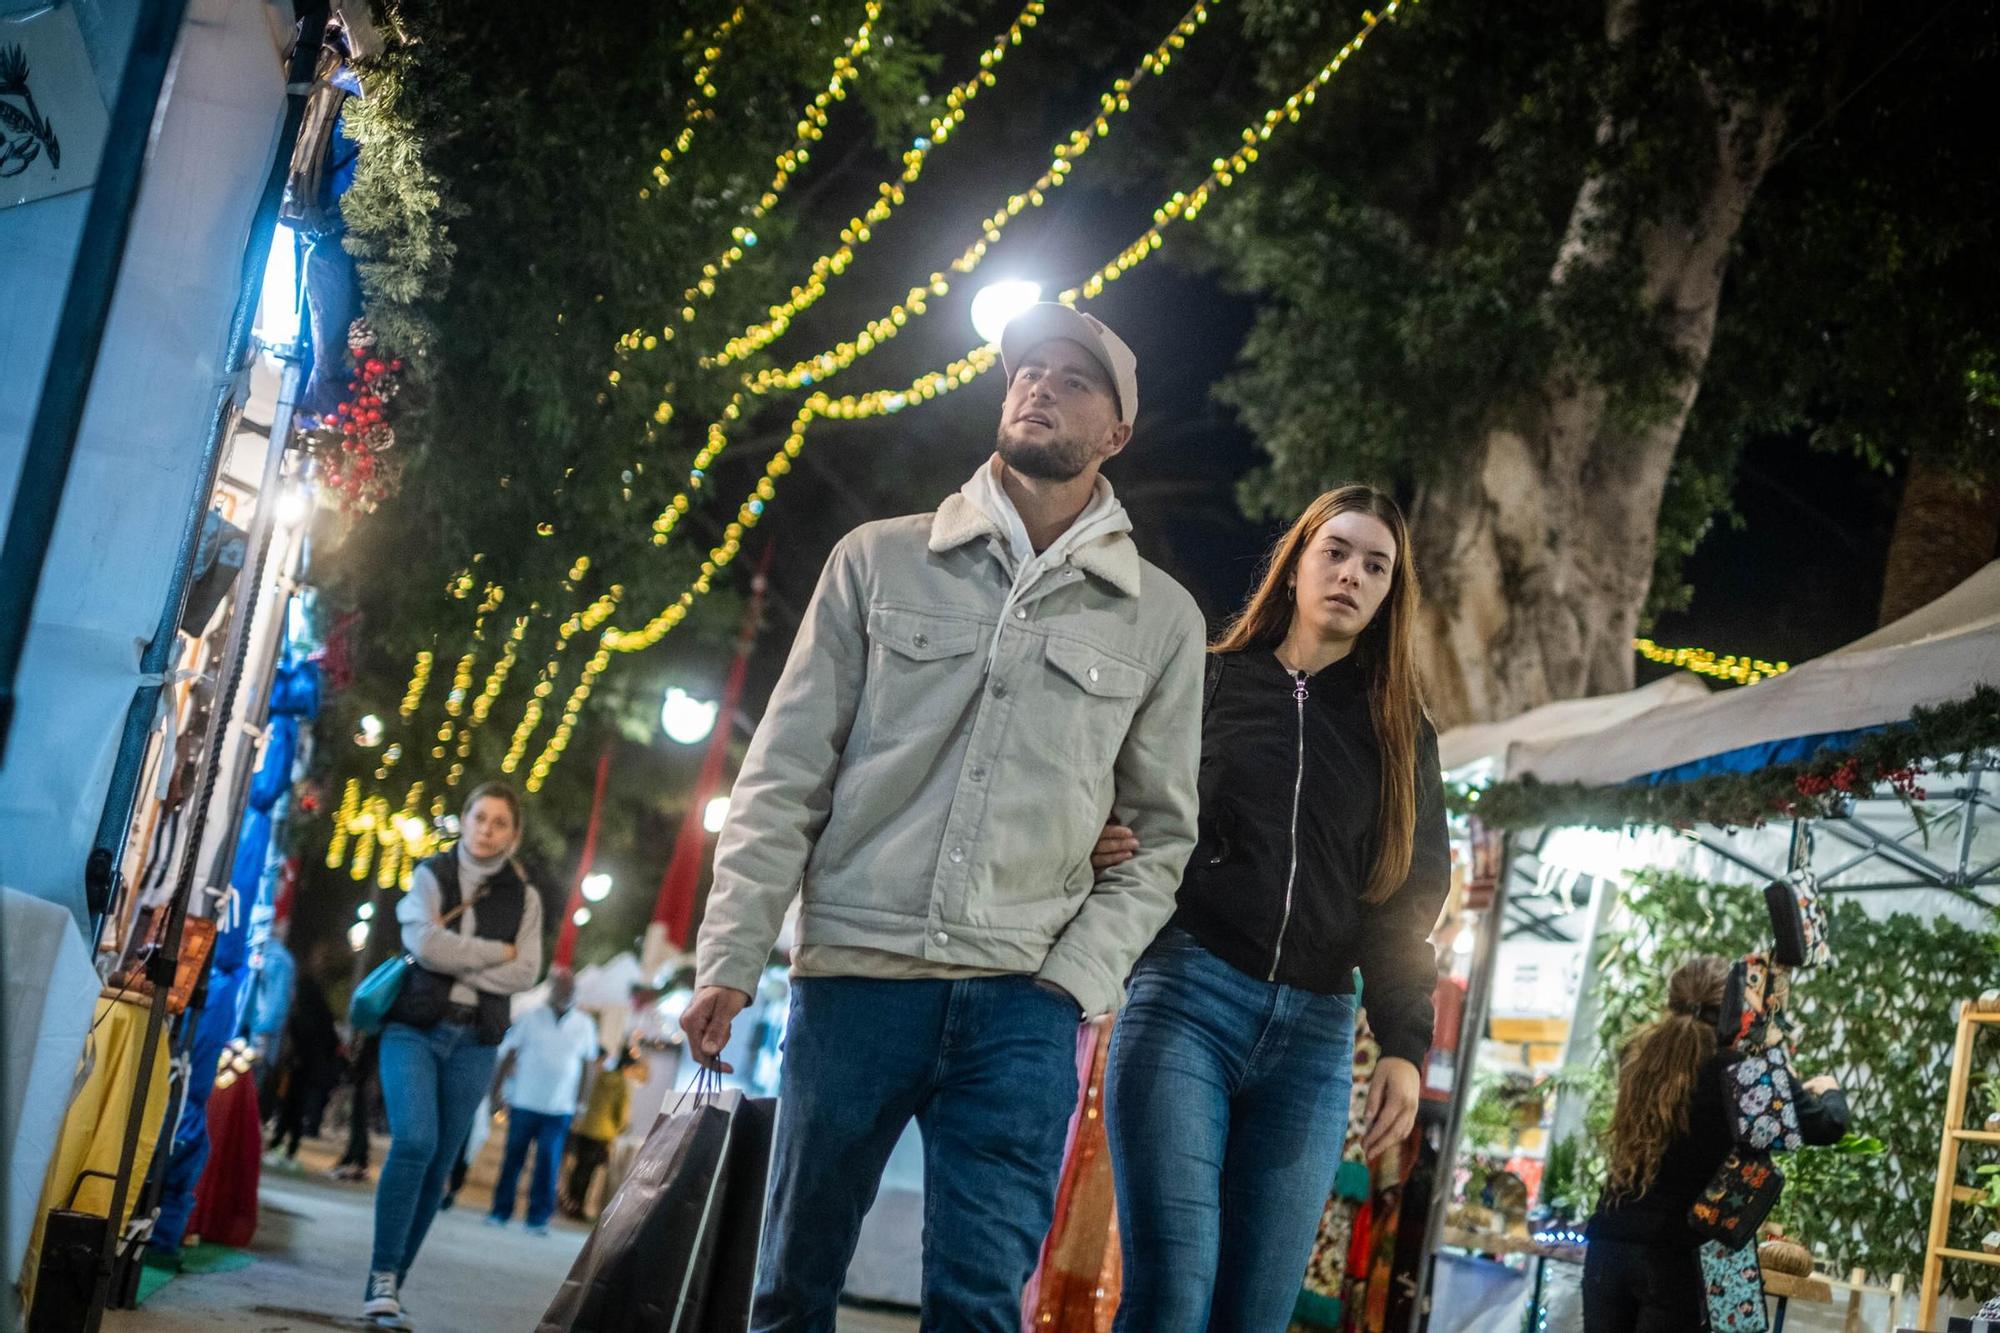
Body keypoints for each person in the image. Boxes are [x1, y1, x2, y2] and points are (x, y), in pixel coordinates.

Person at [681, 303, 1206, 1331]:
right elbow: (783, 774)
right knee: (790, 1285)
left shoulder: (1161, 619)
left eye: (1072, 378)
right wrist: (729, 955)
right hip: (854, 979)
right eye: (1025, 370)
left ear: (1115, 433)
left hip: (1020, 1003)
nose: (1038, 385)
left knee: (976, 1306)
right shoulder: (877, 559)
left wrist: (1071, 982)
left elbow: (1162, 836)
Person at [1089, 484, 1450, 1330]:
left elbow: (1405, 900)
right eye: (1336, 551)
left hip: (1315, 1042)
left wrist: (1402, 1041)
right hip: (1186, 1001)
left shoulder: (1402, 734)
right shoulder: (1208, 681)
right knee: (1173, 1295)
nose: (1352, 575)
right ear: (1295, 565)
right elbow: (1116, 794)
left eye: (1376, 565)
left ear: (1391, 593)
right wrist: (1097, 833)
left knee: (1252, 1314)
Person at [1582, 955, 1849, 1332]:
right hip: (1679, 1253)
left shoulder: (1637, 1058)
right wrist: (1829, 1091)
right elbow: (1827, 1126)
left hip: (1610, 1240)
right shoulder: (1744, 1073)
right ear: (1735, 1007)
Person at [362, 782, 542, 1329]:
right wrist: (494, 954)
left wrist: (454, 955)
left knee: (441, 1163)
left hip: (475, 1042)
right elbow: (423, 945)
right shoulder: (429, 875)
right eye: (479, 818)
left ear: (513, 833)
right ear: (463, 820)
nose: (487, 830)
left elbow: (526, 971)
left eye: (499, 823)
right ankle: (381, 1274)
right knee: (415, 1140)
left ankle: (393, 1287)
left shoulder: (524, 897)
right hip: (414, 1029)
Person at [485, 966, 599, 1233]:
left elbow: (588, 1066)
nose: (566, 993)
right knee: (514, 1157)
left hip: (560, 1106)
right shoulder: (530, 1017)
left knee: (549, 1160)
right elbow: (509, 1054)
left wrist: (582, 1103)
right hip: (525, 1100)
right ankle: (501, 1210)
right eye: (562, 987)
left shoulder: (584, 1024)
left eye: (570, 989)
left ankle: (538, 1217)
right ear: (552, 989)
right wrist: (496, 1092)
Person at [561, 1047, 639, 1219]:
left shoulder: (602, 1076)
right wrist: (621, 1128)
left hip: (586, 1128)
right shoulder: (622, 1084)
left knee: (579, 1167)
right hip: (603, 1133)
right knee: (589, 1172)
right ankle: (578, 1207)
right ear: (628, 1066)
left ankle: (570, 1202)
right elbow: (622, 1112)